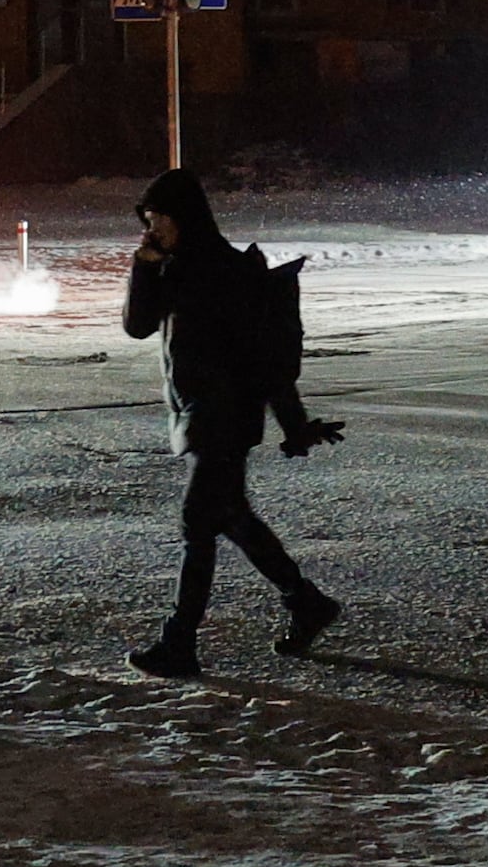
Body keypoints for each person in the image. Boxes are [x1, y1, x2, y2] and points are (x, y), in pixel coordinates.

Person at [120, 167, 341, 676]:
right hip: (198, 411)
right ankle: (306, 602)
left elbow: (263, 359)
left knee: (197, 521)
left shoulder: (227, 273)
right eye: (148, 221)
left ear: (186, 217)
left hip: (226, 415)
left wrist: (294, 423)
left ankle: (180, 642)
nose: (153, 230)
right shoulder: (174, 268)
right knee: (231, 518)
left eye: (160, 219)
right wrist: (142, 265)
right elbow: (137, 326)